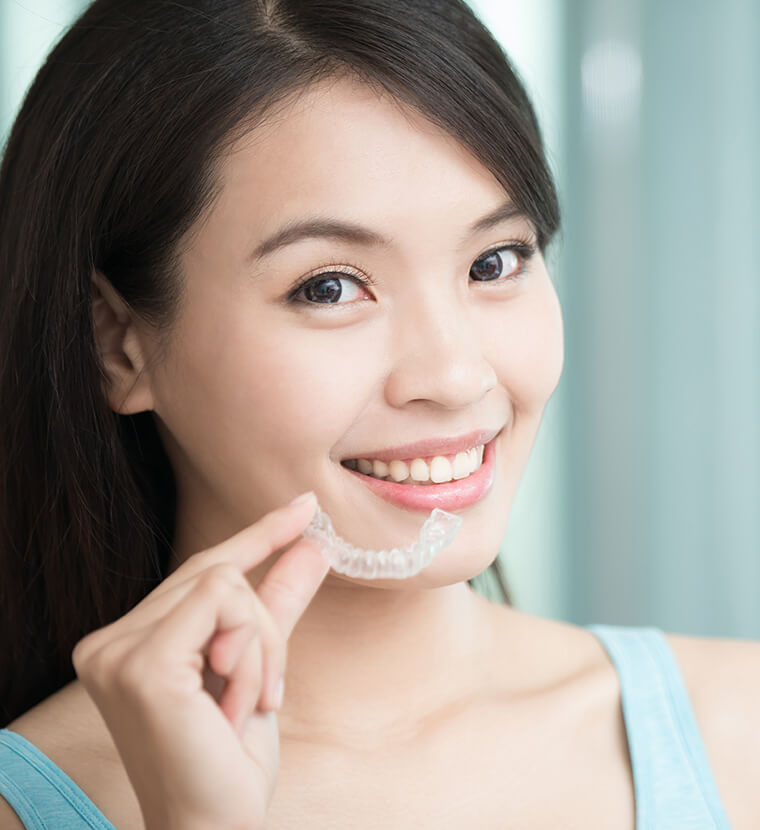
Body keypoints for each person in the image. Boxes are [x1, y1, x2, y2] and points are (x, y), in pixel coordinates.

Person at [0, 0, 756, 827]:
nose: (457, 375)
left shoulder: (739, 731)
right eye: (329, 287)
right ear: (119, 347)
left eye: (495, 262)